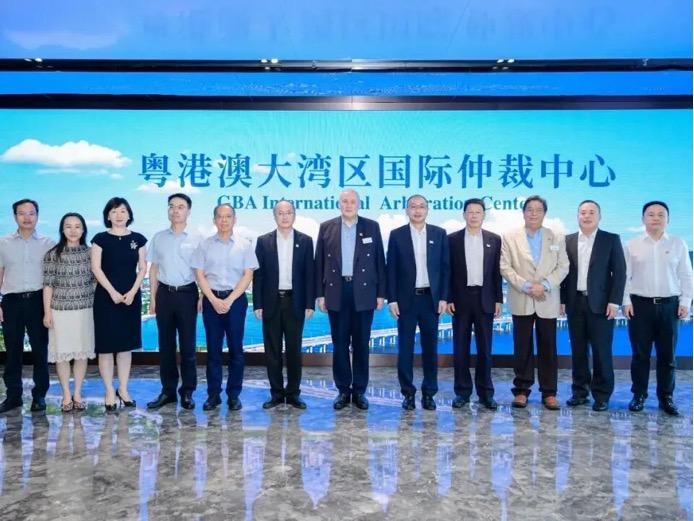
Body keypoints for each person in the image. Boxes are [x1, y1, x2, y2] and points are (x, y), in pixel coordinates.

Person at [315, 189, 386, 410]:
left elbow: (380, 261)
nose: (348, 205)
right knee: (340, 344)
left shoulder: (371, 226)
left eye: (352, 201)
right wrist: (320, 294)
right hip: (336, 291)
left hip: (364, 293)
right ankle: (343, 390)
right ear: (339, 204)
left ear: (359, 204)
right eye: (344, 201)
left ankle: (360, 391)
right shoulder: (327, 227)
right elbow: (319, 263)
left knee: (362, 344)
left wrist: (381, 293)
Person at [623, 201, 692, 416]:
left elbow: (686, 275)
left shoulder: (678, 243)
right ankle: (639, 395)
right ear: (643, 219)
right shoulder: (632, 244)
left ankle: (666, 397)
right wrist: (626, 301)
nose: (655, 218)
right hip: (640, 306)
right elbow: (624, 276)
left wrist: (685, 302)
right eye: (651, 214)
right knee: (640, 355)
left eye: (661, 214)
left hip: (670, 306)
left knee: (668, 356)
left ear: (667, 219)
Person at [500, 195, 569, 410]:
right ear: (523, 212)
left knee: (548, 347)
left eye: (538, 210)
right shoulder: (510, 237)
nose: (533, 213)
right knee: (522, 347)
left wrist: (545, 285)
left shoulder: (556, 237)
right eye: (529, 209)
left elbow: (563, 266)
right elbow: (505, 267)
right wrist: (527, 286)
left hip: (547, 298)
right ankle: (521, 390)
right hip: (522, 297)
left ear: (544, 213)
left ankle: (549, 393)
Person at [560, 200, 626, 412]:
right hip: (575, 303)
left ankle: (602, 395)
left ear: (599, 216)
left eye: (591, 212)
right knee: (578, 351)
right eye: (582, 212)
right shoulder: (568, 240)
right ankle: (579, 392)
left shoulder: (610, 239)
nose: (586, 216)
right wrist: (562, 300)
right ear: (577, 216)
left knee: (601, 351)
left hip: (602, 304)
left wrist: (614, 302)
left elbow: (620, 273)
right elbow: (563, 274)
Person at [192, 203, 258, 411]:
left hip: (236, 301)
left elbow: (248, 275)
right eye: (220, 216)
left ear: (234, 219)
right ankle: (213, 395)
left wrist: (229, 301)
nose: (224, 220)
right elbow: (199, 274)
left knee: (236, 350)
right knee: (213, 351)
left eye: (228, 216)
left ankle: (233, 395)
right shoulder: (204, 245)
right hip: (211, 299)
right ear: (214, 220)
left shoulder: (244, 245)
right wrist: (212, 299)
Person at [386, 195, 449, 411]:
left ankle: (429, 393)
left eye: (422, 206)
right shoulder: (397, 235)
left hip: (431, 300)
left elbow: (445, 268)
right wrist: (392, 299)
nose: (417, 210)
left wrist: (443, 297)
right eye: (413, 206)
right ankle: (408, 393)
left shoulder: (439, 234)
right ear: (407, 210)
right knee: (405, 349)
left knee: (430, 349)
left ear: (427, 210)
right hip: (407, 300)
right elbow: (391, 269)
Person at [253, 201, 315, 409]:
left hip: (295, 302)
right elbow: (258, 276)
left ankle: (294, 393)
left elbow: (309, 274)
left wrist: (309, 303)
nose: (285, 216)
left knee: (294, 350)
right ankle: (277, 394)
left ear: (294, 215)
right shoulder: (263, 241)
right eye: (280, 213)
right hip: (271, 302)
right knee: (272, 351)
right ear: (275, 216)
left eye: (288, 212)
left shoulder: (306, 241)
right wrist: (257, 303)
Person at [91, 197, 147, 412]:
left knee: (125, 346)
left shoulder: (138, 239)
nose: (119, 215)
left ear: (129, 214)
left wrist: (132, 292)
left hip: (130, 297)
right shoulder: (100, 239)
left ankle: (123, 389)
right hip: (106, 298)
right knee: (106, 348)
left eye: (123, 211)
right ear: (108, 215)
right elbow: (96, 268)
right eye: (114, 211)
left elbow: (142, 268)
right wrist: (112, 292)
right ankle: (108, 391)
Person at [146, 193, 201, 411]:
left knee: (188, 346)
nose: (175, 210)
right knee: (166, 346)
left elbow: (202, 271)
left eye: (180, 206)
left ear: (188, 211)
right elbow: (153, 269)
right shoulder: (159, 237)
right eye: (171, 206)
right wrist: (152, 298)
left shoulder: (197, 238)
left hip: (188, 294)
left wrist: (202, 296)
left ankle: (187, 392)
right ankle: (168, 391)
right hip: (165, 295)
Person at [447, 198, 503, 410]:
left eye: (478, 212)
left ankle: (486, 393)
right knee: (460, 348)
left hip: (485, 298)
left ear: (483, 215)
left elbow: (497, 272)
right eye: (470, 212)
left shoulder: (494, 239)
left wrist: (498, 299)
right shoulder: (452, 239)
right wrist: (448, 297)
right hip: (460, 300)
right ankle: (462, 392)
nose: (473, 215)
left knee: (485, 349)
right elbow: (447, 271)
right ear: (464, 215)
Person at [0, 199, 55, 414]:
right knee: (13, 350)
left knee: (40, 350)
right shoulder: (3, 243)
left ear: (37, 216)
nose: (27, 217)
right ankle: (13, 396)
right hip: (11, 301)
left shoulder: (48, 243)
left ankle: (39, 396)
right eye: (22, 213)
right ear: (15, 216)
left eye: (31, 213)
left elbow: (54, 277)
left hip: (38, 301)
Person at [42, 213, 96, 412]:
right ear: (62, 229)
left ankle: (78, 393)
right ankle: (66, 394)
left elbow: (96, 280)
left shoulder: (91, 253)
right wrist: (47, 313)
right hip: (60, 312)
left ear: (83, 230)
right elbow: (48, 285)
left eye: (77, 226)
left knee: (82, 354)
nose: (73, 230)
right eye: (68, 226)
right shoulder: (52, 254)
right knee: (62, 355)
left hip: (85, 310)